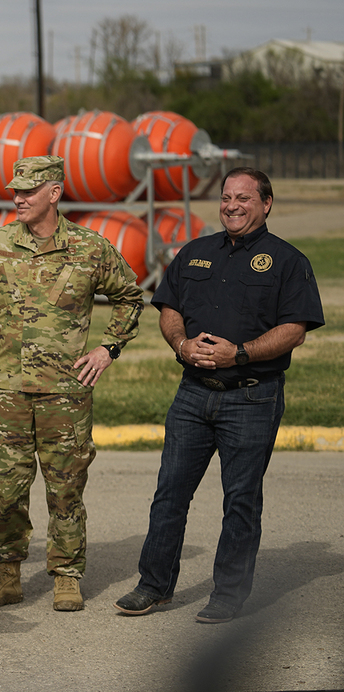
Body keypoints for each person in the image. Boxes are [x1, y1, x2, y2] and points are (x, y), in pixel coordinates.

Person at [114, 168, 323, 624]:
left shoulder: (288, 261)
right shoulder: (194, 253)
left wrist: (240, 354)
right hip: (192, 395)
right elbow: (170, 308)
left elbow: (295, 329)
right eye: (227, 197)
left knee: (241, 499)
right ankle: (153, 585)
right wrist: (181, 344)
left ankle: (228, 595)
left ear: (266, 203)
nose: (232, 205)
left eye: (243, 198)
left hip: (252, 396)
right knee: (169, 493)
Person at [0, 155, 142, 612]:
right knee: (7, 488)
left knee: (65, 488)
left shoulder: (89, 248)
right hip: (9, 392)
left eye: (28, 191)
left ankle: (65, 574)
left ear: (54, 194)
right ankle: (5, 575)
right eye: (14, 190)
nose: (17, 198)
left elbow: (130, 296)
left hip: (66, 392)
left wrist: (106, 349)